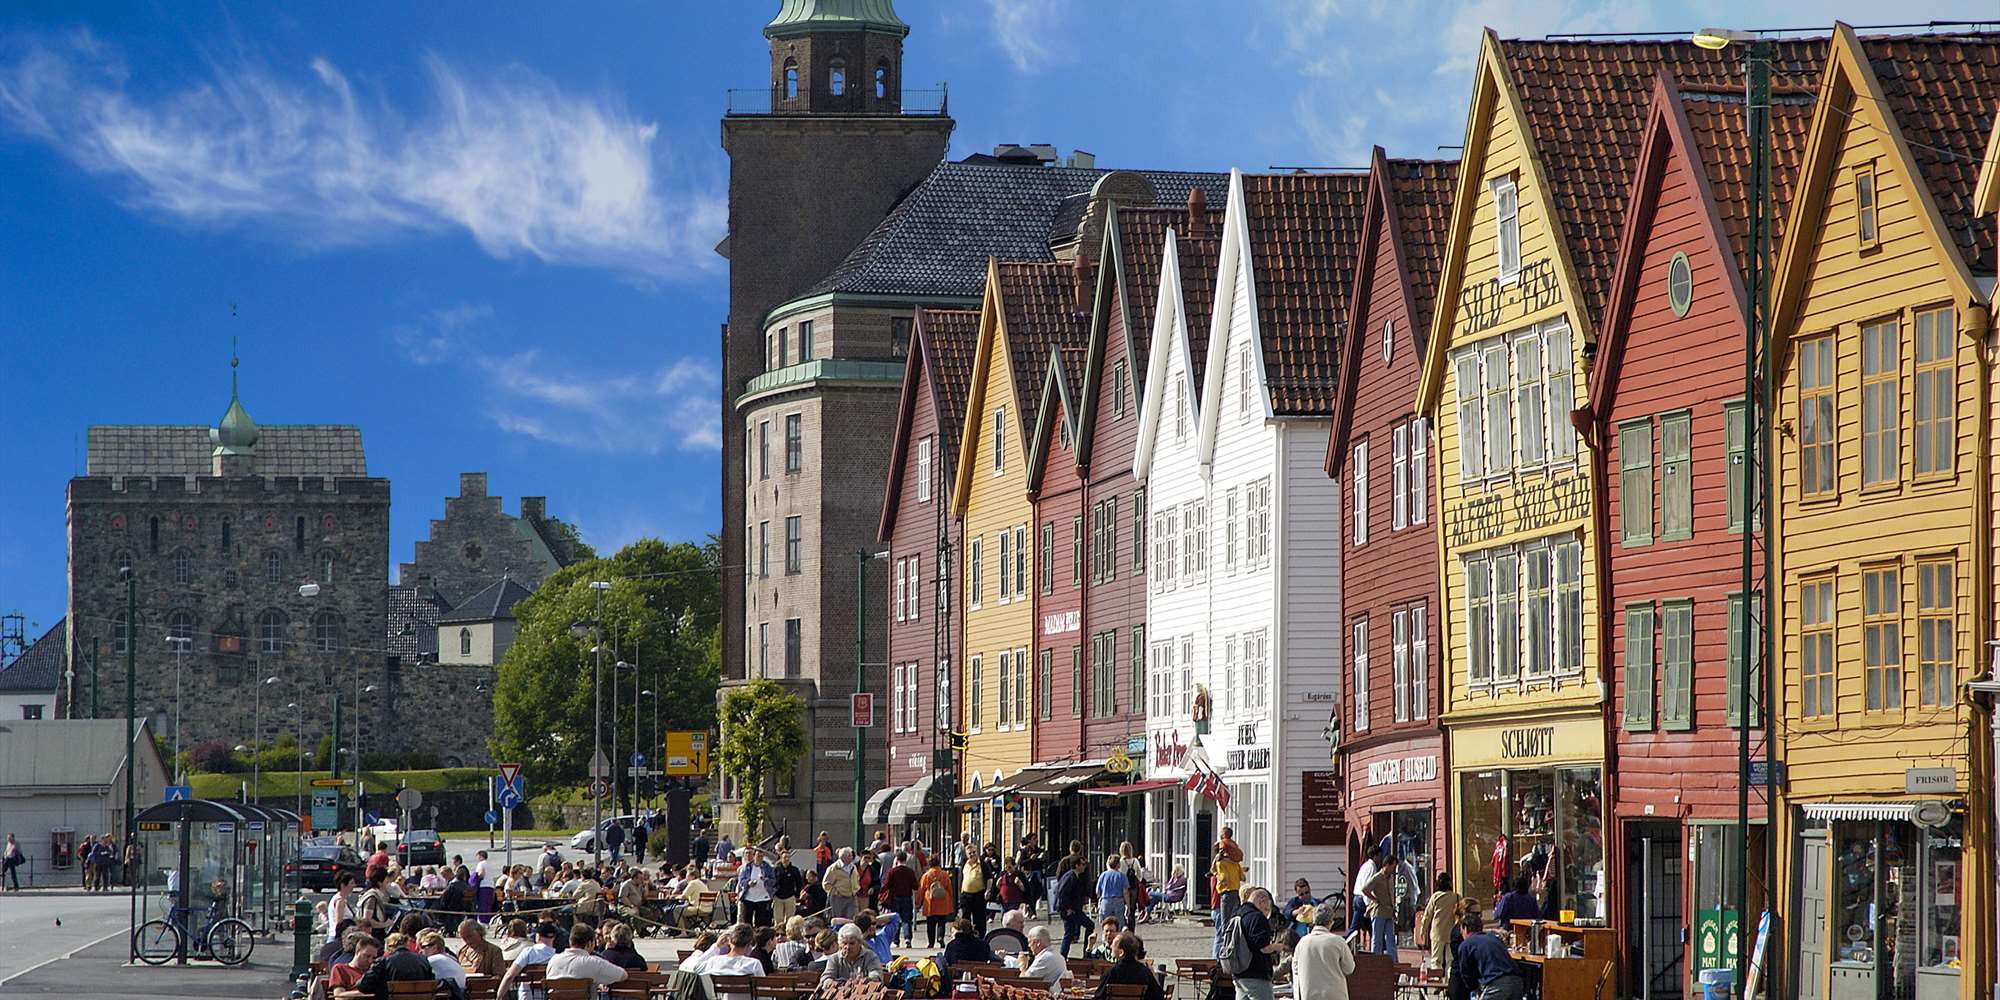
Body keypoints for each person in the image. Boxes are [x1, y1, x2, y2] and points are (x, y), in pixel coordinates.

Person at [1454, 912, 1524, 1000]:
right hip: (1517, 982)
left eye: (1461, 930)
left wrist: (1476, 990)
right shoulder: (1494, 939)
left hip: (1497, 984)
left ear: (1465, 928)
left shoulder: (1466, 945)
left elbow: (1467, 974)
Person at [1293, 904, 1357, 1000]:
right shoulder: (1338, 941)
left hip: (1309, 995)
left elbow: (1296, 968)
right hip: (1334, 995)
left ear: (1314, 921)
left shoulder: (1302, 942)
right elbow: (1349, 968)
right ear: (1331, 922)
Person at [349, 931, 436, 998]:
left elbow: (363, 986)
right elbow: (431, 984)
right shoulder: (423, 960)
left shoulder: (384, 961)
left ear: (390, 947)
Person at [547, 922, 630, 992]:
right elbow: (623, 975)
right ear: (590, 943)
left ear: (570, 941)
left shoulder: (553, 960)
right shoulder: (594, 962)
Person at [1233, 887, 1284, 1000]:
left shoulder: (1238, 914)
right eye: (1267, 908)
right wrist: (1278, 946)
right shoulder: (1257, 917)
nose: (1267, 913)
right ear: (1262, 900)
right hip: (1256, 975)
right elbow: (1264, 947)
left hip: (1239, 975)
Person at [1090, 931, 1166, 1000]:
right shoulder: (1145, 972)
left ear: (1121, 952)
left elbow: (1099, 997)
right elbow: (1158, 996)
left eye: (1113, 944)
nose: (1110, 947)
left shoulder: (1111, 973)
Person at [494, 922, 561, 1000]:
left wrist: (499, 996)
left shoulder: (529, 952)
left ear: (538, 936)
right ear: (554, 938)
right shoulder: (557, 958)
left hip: (527, 996)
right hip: (548, 996)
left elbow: (510, 975)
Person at [1418, 873, 1463, 975]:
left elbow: (1427, 915)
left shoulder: (1435, 897)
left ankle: (1436, 980)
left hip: (1437, 932)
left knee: (1436, 960)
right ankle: (1448, 981)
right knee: (1450, 960)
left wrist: (1423, 930)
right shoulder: (1456, 897)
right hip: (1451, 933)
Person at [1212, 827, 1245, 960]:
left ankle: (1223, 955)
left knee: (1225, 925)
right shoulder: (1235, 863)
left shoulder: (1221, 863)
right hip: (1236, 893)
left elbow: (1223, 878)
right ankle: (1234, 951)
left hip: (1226, 894)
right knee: (1235, 922)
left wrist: (1217, 873)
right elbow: (1243, 878)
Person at [818, 924, 885, 983]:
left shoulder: (870, 956)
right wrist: (829, 982)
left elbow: (876, 974)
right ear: (840, 944)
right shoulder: (834, 959)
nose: (848, 947)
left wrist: (868, 979)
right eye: (844, 943)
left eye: (852, 943)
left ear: (860, 943)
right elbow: (826, 977)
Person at [1055, 857, 1093, 958]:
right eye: (1082, 864)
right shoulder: (1070, 877)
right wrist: (1066, 908)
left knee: (1069, 933)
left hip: (1073, 909)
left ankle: (1063, 956)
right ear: (1077, 865)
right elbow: (1061, 893)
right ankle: (1086, 953)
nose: (1084, 866)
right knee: (1089, 925)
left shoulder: (1075, 876)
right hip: (1070, 910)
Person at [1362, 856, 1398, 956]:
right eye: (1392, 867)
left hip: (1389, 912)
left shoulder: (1390, 878)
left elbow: (1391, 895)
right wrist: (1374, 899)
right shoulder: (1377, 877)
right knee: (1377, 938)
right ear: (1386, 865)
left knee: (1390, 938)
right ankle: (1376, 960)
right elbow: (1365, 889)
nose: (1393, 869)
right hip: (1379, 912)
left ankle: (1393, 961)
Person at [880, 850, 918, 945]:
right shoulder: (910, 872)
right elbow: (915, 886)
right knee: (907, 919)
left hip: (895, 897)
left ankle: (896, 940)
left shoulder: (892, 871)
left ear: (896, 859)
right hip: (907, 897)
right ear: (906, 859)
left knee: (895, 919)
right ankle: (907, 938)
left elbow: (886, 884)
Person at [918, 858, 955, 947]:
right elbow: (949, 888)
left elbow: (921, 889)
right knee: (941, 922)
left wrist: (918, 902)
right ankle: (940, 937)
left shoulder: (926, 875)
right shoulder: (944, 874)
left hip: (930, 902)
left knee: (930, 924)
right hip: (943, 901)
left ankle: (931, 942)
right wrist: (950, 899)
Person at [1018, 924, 1068, 990]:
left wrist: (1022, 965)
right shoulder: (1057, 955)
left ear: (1038, 943)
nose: (1029, 946)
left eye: (1030, 942)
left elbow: (1024, 982)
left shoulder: (1044, 958)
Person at [738, 846, 777, 927]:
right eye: (758, 856)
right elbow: (741, 881)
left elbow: (773, 881)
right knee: (747, 922)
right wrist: (748, 883)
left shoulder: (767, 867)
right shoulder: (746, 867)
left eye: (761, 856)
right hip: (748, 898)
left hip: (763, 898)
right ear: (754, 856)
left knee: (761, 922)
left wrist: (765, 879)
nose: (760, 858)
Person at [956, 847, 990, 935]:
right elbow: (961, 878)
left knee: (979, 918)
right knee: (965, 917)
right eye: (970, 853)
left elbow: (989, 878)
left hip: (978, 894)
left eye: (974, 852)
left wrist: (988, 890)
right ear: (967, 855)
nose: (972, 855)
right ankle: (966, 934)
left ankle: (980, 936)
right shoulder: (964, 864)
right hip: (966, 895)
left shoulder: (982, 863)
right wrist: (960, 892)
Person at [1282, 879, 1320, 945]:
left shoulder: (1317, 903)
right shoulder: (1294, 902)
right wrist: (1297, 911)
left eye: (1307, 892)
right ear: (1297, 894)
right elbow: (1286, 912)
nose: (1305, 896)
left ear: (1310, 890)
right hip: (1297, 938)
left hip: (1313, 936)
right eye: (1301, 894)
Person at [773, 849, 804, 927]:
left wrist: (796, 895)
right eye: (784, 857)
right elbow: (772, 882)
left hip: (790, 897)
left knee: (790, 919)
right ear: (781, 858)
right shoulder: (776, 869)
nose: (786, 859)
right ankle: (779, 933)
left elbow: (799, 883)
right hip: (778, 897)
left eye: (788, 857)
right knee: (778, 919)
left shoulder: (794, 870)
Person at [1096, 855, 1130, 925]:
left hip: (1105, 900)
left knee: (1106, 924)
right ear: (1118, 864)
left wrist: (1099, 901)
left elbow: (1098, 891)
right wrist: (1128, 906)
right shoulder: (1121, 876)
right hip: (1118, 900)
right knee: (1119, 924)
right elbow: (1125, 892)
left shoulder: (1103, 875)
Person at [326, 872, 358, 944]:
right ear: (343, 885)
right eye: (352, 883)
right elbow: (339, 923)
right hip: (337, 938)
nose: (354, 885)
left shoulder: (340, 899)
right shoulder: (340, 901)